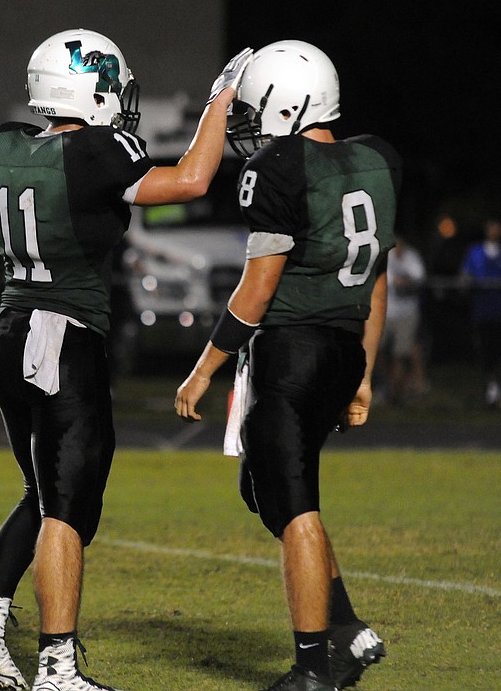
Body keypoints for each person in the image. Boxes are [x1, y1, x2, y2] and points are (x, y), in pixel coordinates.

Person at [0, 28, 252, 691]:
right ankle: (58, 667)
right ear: (89, 90)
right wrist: (220, 100)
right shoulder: (96, 150)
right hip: (63, 338)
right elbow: (193, 178)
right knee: (67, 508)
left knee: (43, 490)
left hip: (7, 336)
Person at [175, 40, 400, 691]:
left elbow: (257, 290)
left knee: (294, 503)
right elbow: (376, 280)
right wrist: (364, 371)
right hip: (340, 347)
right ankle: (348, 630)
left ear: (286, 103)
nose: (250, 123)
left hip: (291, 351)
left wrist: (203, 367)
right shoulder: (377, 159)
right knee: (269, 489)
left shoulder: (280, 164)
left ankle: (314, 668)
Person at [459, 218, 501, 406]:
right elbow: (465, 276)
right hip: (482, 312)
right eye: (491, 226)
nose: (494, 230)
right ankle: (490, 391)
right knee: (485, 352)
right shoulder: (475, 252)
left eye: (498, 226)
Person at [379, 232, 429, 405]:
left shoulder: (412, 256)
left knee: (401, 353)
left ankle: (395, 392)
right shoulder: (386, 257)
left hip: (407, 313)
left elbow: (419, 277)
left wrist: (405, 282)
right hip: (387, 312)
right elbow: (392, 281)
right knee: (380, 351)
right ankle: (390, 384)